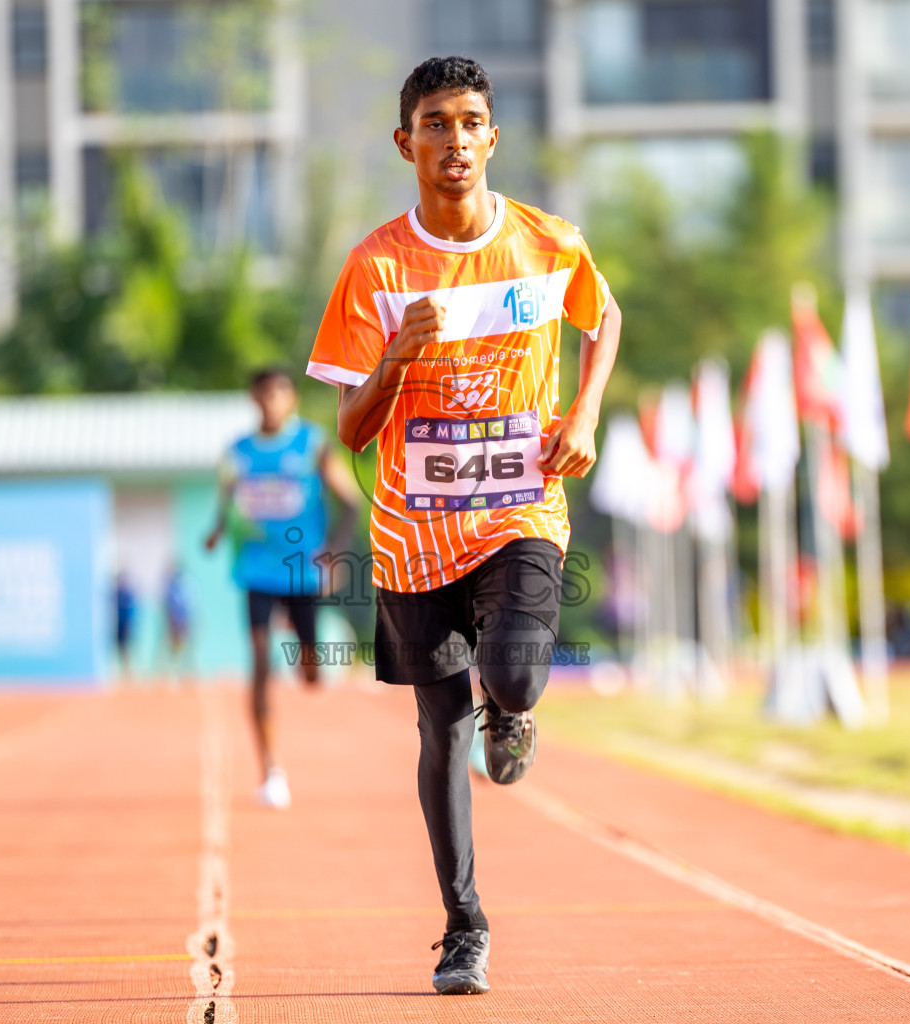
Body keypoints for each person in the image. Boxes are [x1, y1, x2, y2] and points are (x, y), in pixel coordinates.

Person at [306, 56, 622, 995]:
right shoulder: (375, 269)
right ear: (406, 144)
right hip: (413, 533)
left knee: (517, 673)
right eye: (435, 123)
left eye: (470, 121)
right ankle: (464, 927)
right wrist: (398, 357)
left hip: (521, 507)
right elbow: (354, 431)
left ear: (493, 138)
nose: (454, 139)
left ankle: (514, 713)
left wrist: (587, 415)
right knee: (438, 727)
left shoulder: (546, 241)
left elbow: (602, 320)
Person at [206, 367, 360, 810]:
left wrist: (334, 551)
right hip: (255, 568)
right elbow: (227, 501)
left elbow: (349, 501)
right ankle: (271, 769)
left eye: (280, 393)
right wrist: (217, 530)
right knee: (258, 659)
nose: (272, 401)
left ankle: (309, 662)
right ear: (253, 398)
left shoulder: (312, 445)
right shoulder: (237, 453)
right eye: (264, 394)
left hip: (300, 570)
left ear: (290, 398)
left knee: (309, 674)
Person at [163, 561, 191, 675]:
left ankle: (185, 671)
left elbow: (188, 605)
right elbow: (167, 604)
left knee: (185, 646)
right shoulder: (170, 585)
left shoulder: (186, 584)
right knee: (173, 646)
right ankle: (173, 670)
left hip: (182, 620)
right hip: (173, 621)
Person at [113, 571, 137, 679]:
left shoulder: (127, 593)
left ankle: (128, 669)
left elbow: (130, 611)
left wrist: (128, 624)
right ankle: (124, 669)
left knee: (125, 647)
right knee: (119, 646)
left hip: (125, 624)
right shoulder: (117, 593)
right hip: (118, 624)